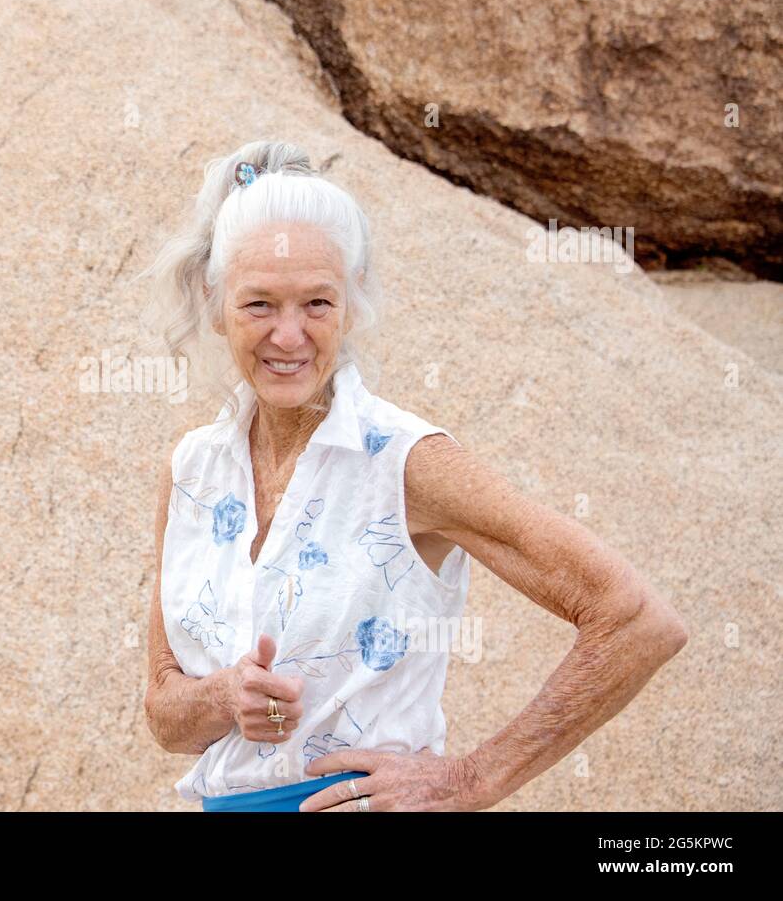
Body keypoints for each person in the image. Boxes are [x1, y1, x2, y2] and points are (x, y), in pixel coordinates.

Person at [139, 140, 688, 811]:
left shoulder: (405, 461)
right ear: (215, 298)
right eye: (259, 305)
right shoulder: (192, 467)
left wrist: (472, 779)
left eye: (317, 303)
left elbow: (638, 621)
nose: (289, 336)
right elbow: (165, 715)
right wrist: (225, 695)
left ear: (352, 300)